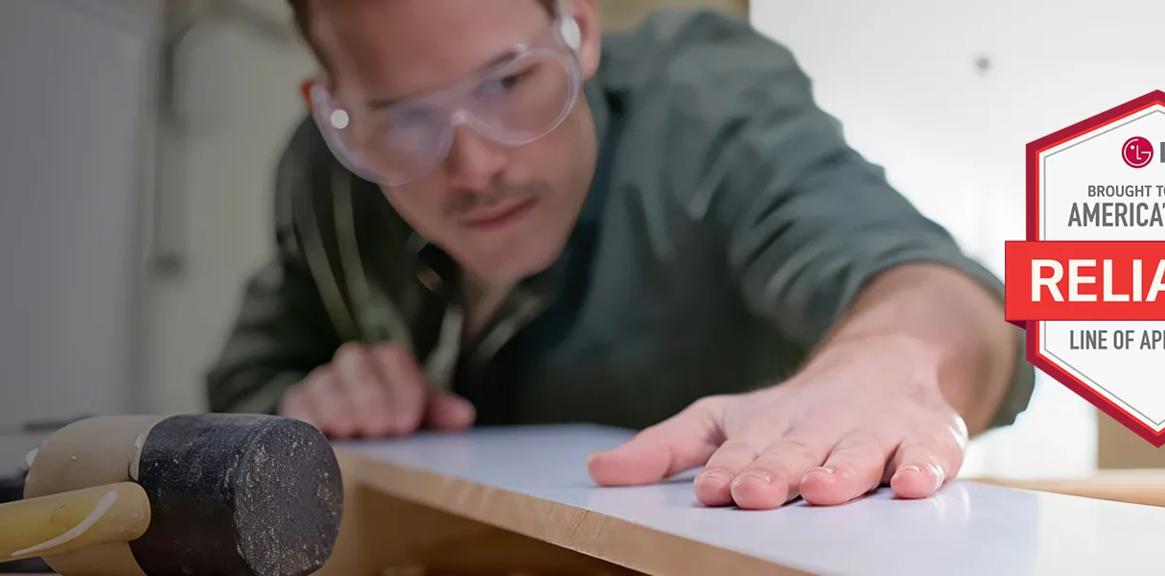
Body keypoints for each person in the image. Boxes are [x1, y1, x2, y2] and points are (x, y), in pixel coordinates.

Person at [208, 0, 1034, 510]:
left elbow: (946, 296)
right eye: (402, 116)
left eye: (508, 82)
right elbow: (239, 386)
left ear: (581, 27)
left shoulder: (705, 100)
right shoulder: (325, 174)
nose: (476, 166)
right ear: (331, 107)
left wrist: (889, 362)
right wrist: (310, 399)